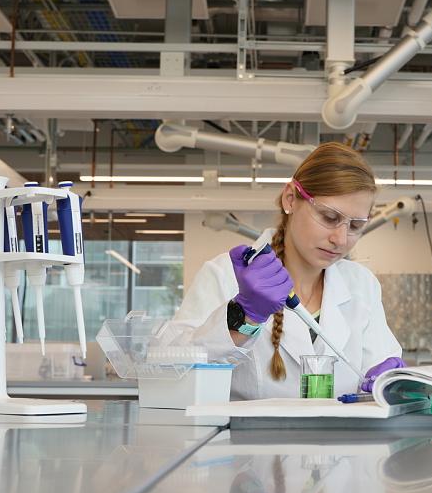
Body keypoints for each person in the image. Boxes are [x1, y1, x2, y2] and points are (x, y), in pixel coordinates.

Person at [171, 142, 405, 400]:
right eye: (329, 217)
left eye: (356, 225)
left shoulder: (361, 284)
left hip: (343, 438)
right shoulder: (223, 274)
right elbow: (174, 370)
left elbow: (378, 375)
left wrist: (390, 382)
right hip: (248, 439)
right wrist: (242, 318)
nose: (340, 239)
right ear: (290, 199)